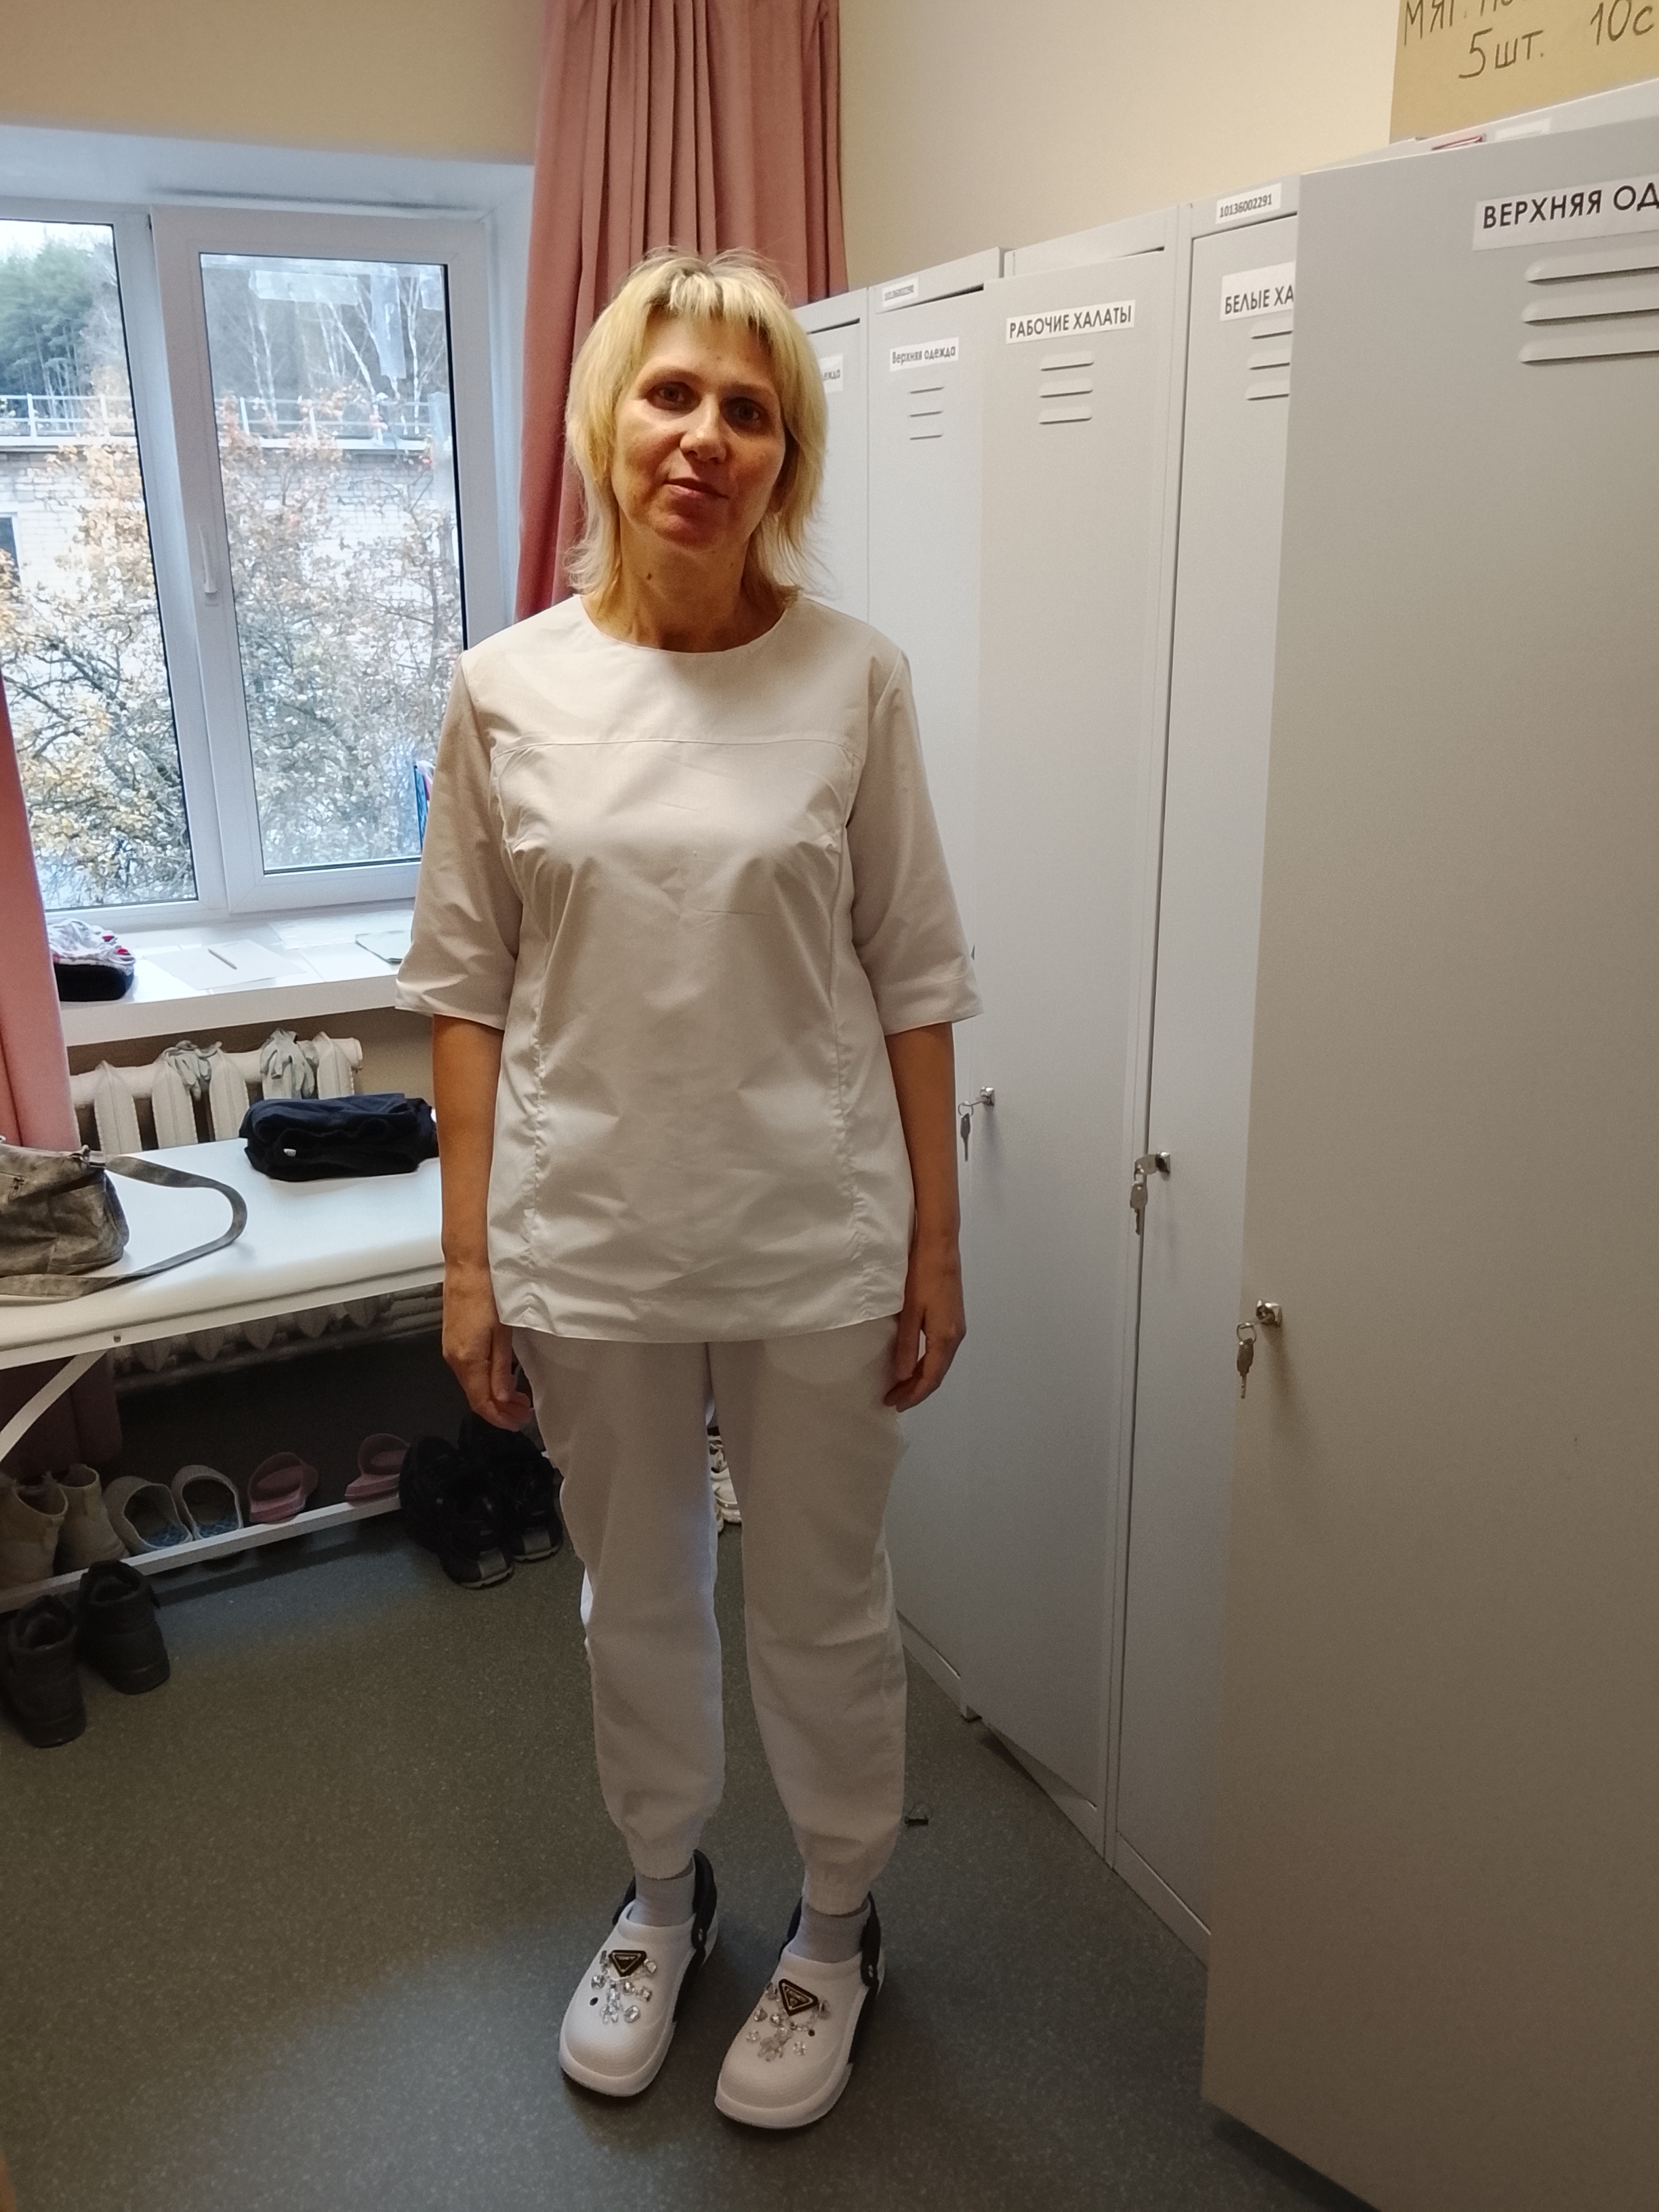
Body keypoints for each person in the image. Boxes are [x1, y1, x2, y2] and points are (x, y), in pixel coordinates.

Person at [397, 249, 979, 2131]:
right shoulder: (506, 690)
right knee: (634, 1600)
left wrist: (938, 1243)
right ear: (606, 423)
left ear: (785, 454)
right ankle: (663, 1896)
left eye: (749, 409)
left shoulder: (853, 681)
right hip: (593, 1238)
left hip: (818, 1235)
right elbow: (467, 995)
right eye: (672, 395)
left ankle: (836, 1926)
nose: (705, 438)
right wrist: (469, 1264)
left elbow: (914, 974)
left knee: (821, 1605)